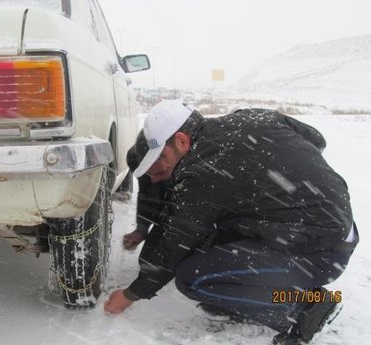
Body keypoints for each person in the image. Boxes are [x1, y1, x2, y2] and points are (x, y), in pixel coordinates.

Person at [104, 100, 359, 345]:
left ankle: (306, 308)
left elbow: (175, 245)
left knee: (193, 278)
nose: (164, 168)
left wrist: (129, 296)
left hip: (321, 252)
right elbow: (316, 139)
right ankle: (241, 298)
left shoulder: (203, 172)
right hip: (340, 230)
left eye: (162, 157)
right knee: (210, 243)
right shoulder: (248, 118)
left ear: (182, 140)